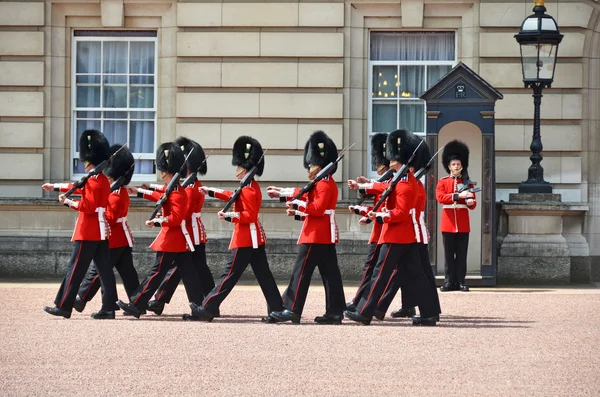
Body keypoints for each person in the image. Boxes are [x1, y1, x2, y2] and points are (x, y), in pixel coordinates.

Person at [344, 129, 439, 326]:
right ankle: (429, 314)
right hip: (406, 237)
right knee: (418, 276)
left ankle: (365, 311)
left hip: (396, 235)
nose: (390, 161)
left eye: (393, 158)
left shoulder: (404, 183)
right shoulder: (401, 179)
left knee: (380, 274)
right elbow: (384, 187)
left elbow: (400, 213)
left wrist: (377, 216)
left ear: (401, 159)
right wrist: (363, 188)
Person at [189, 136, 283, 322]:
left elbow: (249, 216)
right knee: (264, 276)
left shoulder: (250, 188)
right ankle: (277, 309)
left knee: (228, 276)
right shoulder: (247, 186)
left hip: (246, 239)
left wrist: (229, 216)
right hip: (252, 239)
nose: (237, 169)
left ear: (245, 167)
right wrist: (210, 191)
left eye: (239, 166)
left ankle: (208, 307)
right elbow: (232, 196)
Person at [266, 130, 346, 325]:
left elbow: (317, 208)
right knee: (330, 274)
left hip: (316, 235)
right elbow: (305, 195)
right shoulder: (321, 182)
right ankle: (335, 311)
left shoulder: (324, 184)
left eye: (312, 162)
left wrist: (296, 205)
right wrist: (283, 194)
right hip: (321, 234)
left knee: (301, 272)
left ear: (320, 164)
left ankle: (292, 309)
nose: (309, 165)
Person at [116, 142, 204, 319]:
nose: (161, 172)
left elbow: (176, 218)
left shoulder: (178, 192)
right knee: (189, 276)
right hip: (177, 241)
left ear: (168, 171)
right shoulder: (174, 189)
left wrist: (157, 222)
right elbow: (161, 196)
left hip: (171, 240)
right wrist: (139, 192)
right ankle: (201, 307)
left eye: (162, 169)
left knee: (156, 273)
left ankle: (136, 303)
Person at [42, 129, 118, 319]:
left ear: (89, 161)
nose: (83, 164)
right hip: (100, 231)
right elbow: (78, 186)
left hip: (89, 230)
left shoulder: (93, 181)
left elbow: (88, 206)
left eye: (85, 161)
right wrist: (56, 186)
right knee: (104, 272)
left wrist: (67, 202)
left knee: (74, 269)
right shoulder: (100, 179)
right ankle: (109, 308)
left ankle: (64, 306)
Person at [140, 137, 216, 316]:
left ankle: (210, 303)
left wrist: (164, 217)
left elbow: (182, 212)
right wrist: (147, 189)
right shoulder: (186, 184)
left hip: (190, 231)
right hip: (187, 230)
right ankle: (162, 300)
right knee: (183, 268)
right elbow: (169, 193)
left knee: (189, 268)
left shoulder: (190, 187)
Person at [377, 136, 442, 320]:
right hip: (412, 231)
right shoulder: (411, 182)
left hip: (415, 232)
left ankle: (428, 311)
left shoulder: (413, 184)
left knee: (418, 274)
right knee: (408, 272)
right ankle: (417, 308)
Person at [71, 144, 140, 314]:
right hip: (121, 239)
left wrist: (95, 212)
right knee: (127, 274)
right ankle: (138, 302)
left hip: (114, 239)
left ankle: (82, 299)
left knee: (98, 272)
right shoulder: (116, 192)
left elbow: (109, 218)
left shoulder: (116, 195)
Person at [346, 133, 392, 312]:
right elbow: (376, 202)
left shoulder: (390, 181)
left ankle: (361, 302)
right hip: (381, 229)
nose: (377, 167)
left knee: (372, 268)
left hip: (384, 231)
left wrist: (365, 186)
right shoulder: (384, 180)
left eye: (379, 164)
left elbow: (383, 205)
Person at [436, 140, 476, 292]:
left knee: (461, 255)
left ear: (462, 165)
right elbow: (440, 198)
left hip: (463, 222)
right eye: (453, 164)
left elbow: (473, 205)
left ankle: (460, 282)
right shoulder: (443, 182)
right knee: (448, 256)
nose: (456, 167)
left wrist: (470, 201)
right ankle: (448, 282)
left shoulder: (468, 183)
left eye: (458, 164)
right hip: (448, 222)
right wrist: (458, 195)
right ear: (448, 166)